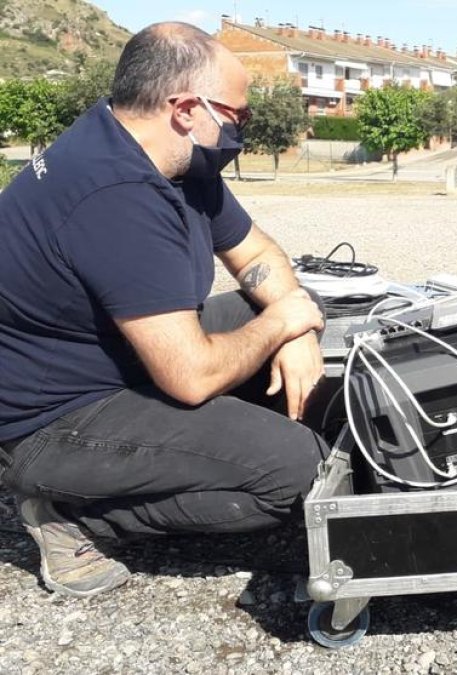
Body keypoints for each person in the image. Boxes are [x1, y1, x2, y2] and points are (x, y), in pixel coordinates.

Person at [0, 23, 329, 598]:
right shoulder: (114, 196)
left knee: (306, 306)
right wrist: (282, 321)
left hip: (122, 361)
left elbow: (256, 253)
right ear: (184, 108)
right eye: (237, 116)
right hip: (53, 419)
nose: (238, 130)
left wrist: (296, 324)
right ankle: (73, 519)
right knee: (299, 471)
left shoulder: (167, 157)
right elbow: (190, 376)